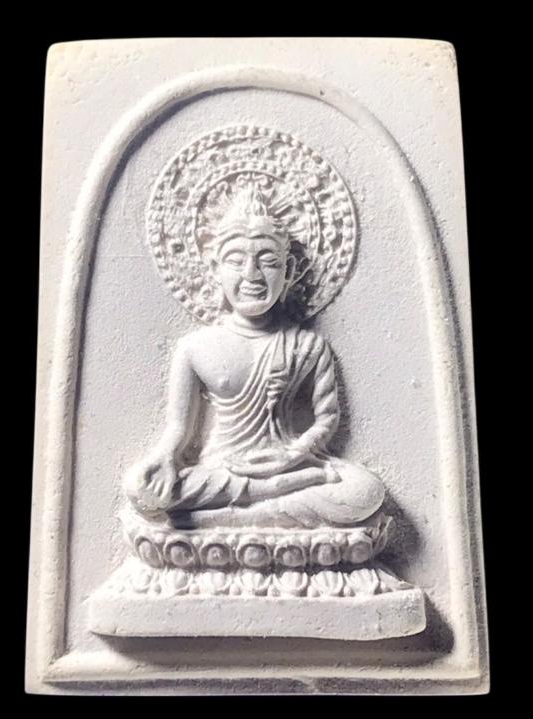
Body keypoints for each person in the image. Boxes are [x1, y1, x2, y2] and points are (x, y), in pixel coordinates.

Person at [125, 186, 385, 528]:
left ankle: (218, 519)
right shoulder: (195, 347)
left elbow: (326, 418)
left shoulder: (307, 345)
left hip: (290, 466)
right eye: (236, 261)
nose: (252, 274)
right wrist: (164, 457)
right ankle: (267, 507)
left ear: (289, 271)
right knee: (140, 489)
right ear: (214, 268)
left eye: (269, 261)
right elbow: (178, 429)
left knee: (365, 492)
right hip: (221, 470)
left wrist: (294, 453)